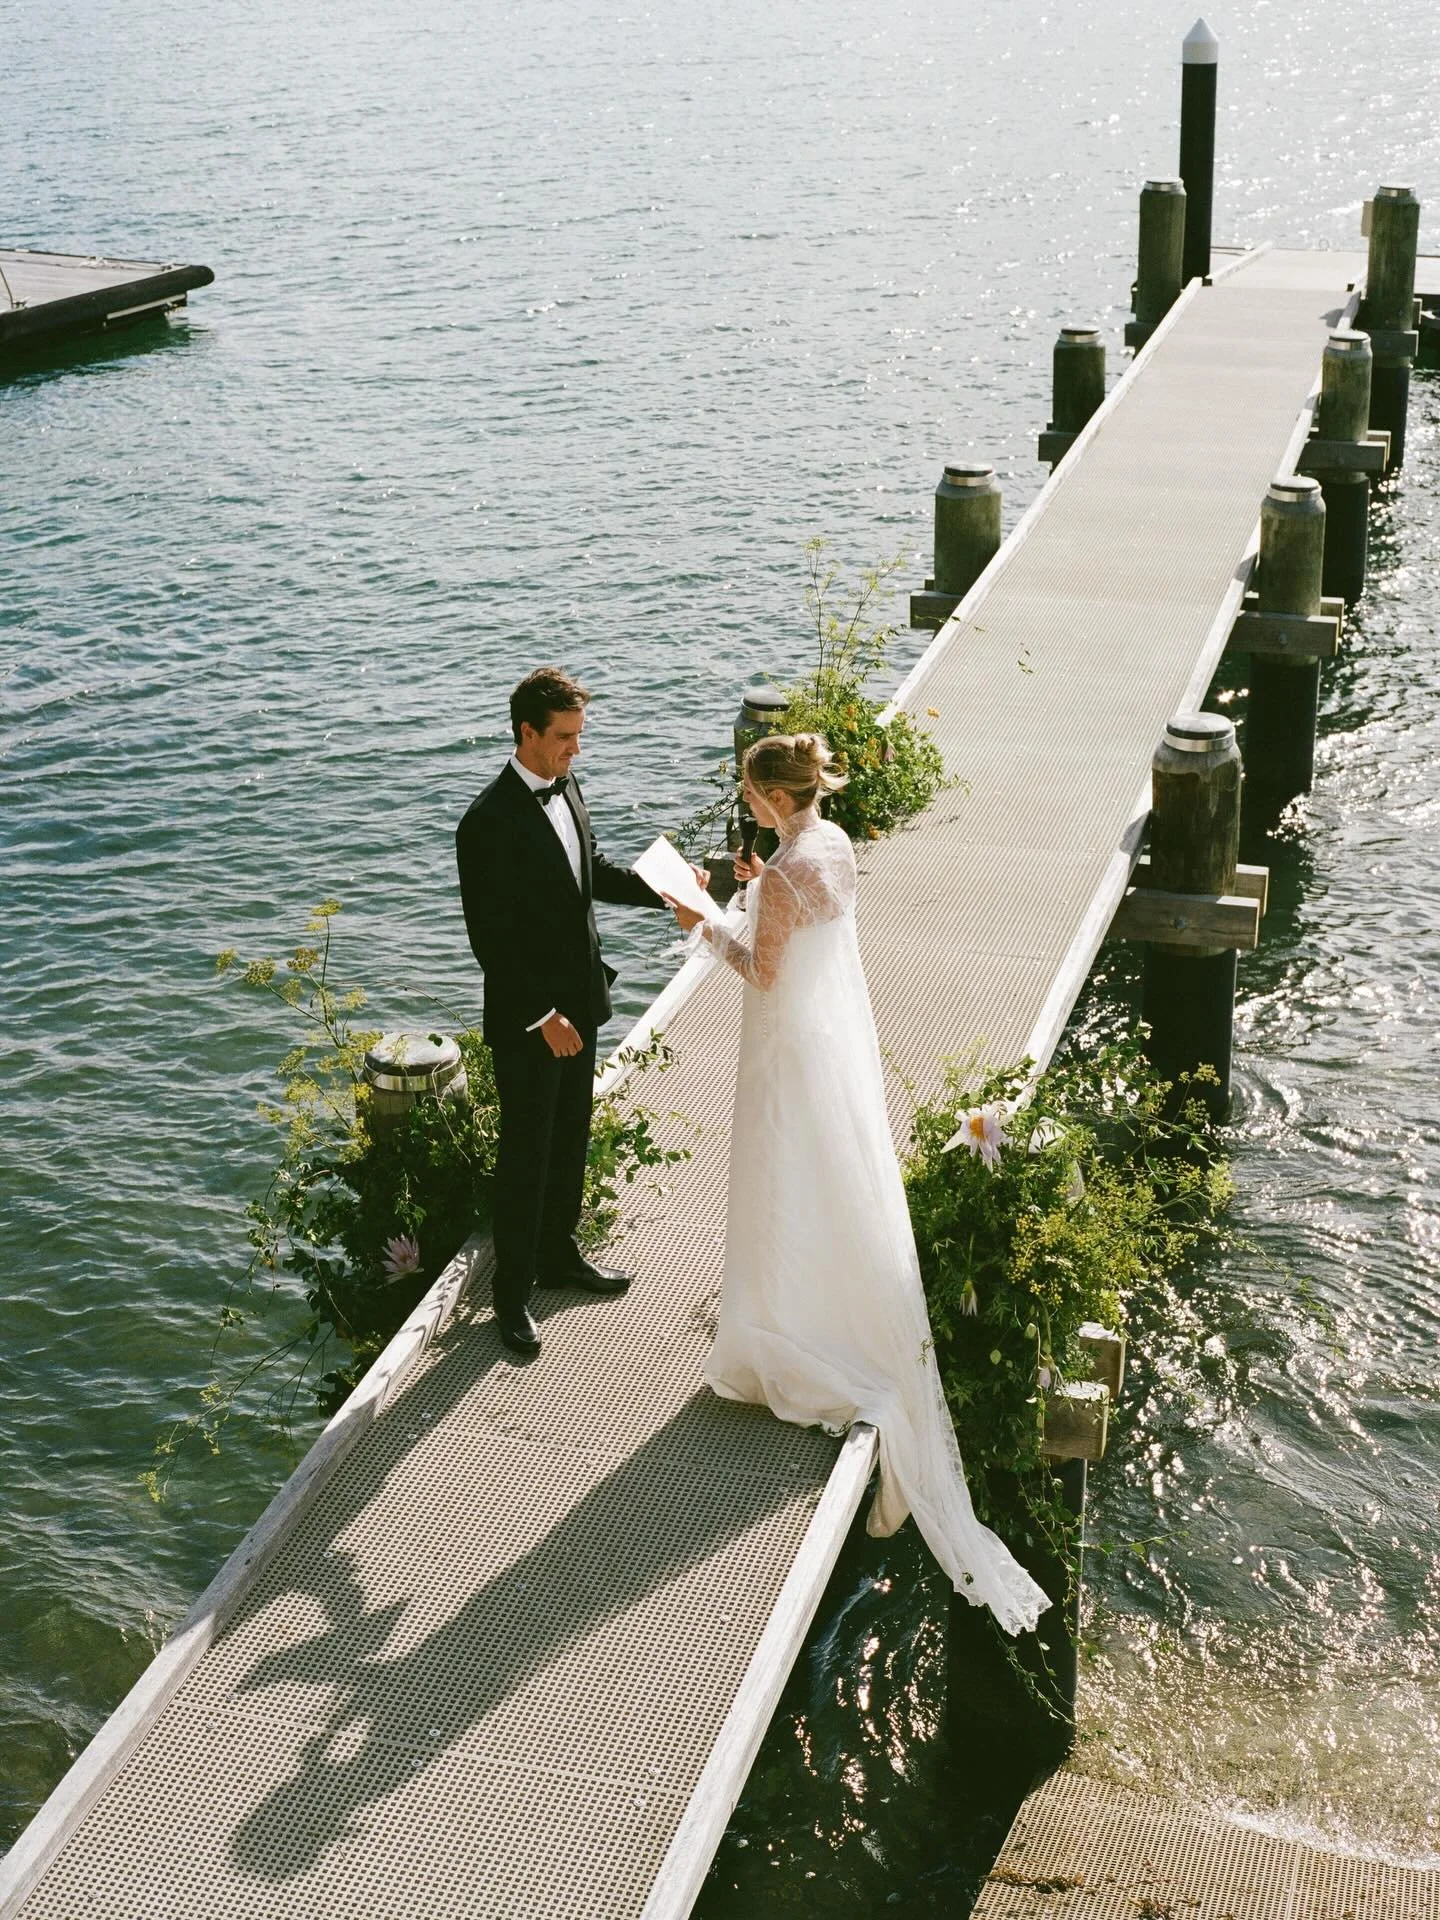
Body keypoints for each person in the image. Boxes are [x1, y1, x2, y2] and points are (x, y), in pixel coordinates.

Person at [664, 732, 1049, 1634]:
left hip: (787, 1049)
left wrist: (706, 920)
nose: (747, 801)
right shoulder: (827, 846)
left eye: (749, 791)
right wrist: (755, 887)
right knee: (821, 1182)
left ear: (766, 794)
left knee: (780, 1183)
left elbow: (761, 968)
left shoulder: (790, 871)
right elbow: (800, 918)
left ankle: (786, 1330)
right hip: (826, 1045)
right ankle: (804, 1310)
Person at [456, 666, 697, 1357]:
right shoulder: (486, 822)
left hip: (582, 1003)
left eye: (578, 737)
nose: (575, 750)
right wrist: (540, 1015)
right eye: (564, 738)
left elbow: (592, 871)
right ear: (526, 733)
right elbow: (490, 940)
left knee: (569, 1140)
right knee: (525, 1155)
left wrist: (671, 891)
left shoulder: (569, 787)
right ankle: (510, 1298)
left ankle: (559, 1256)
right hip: (532, 1021)